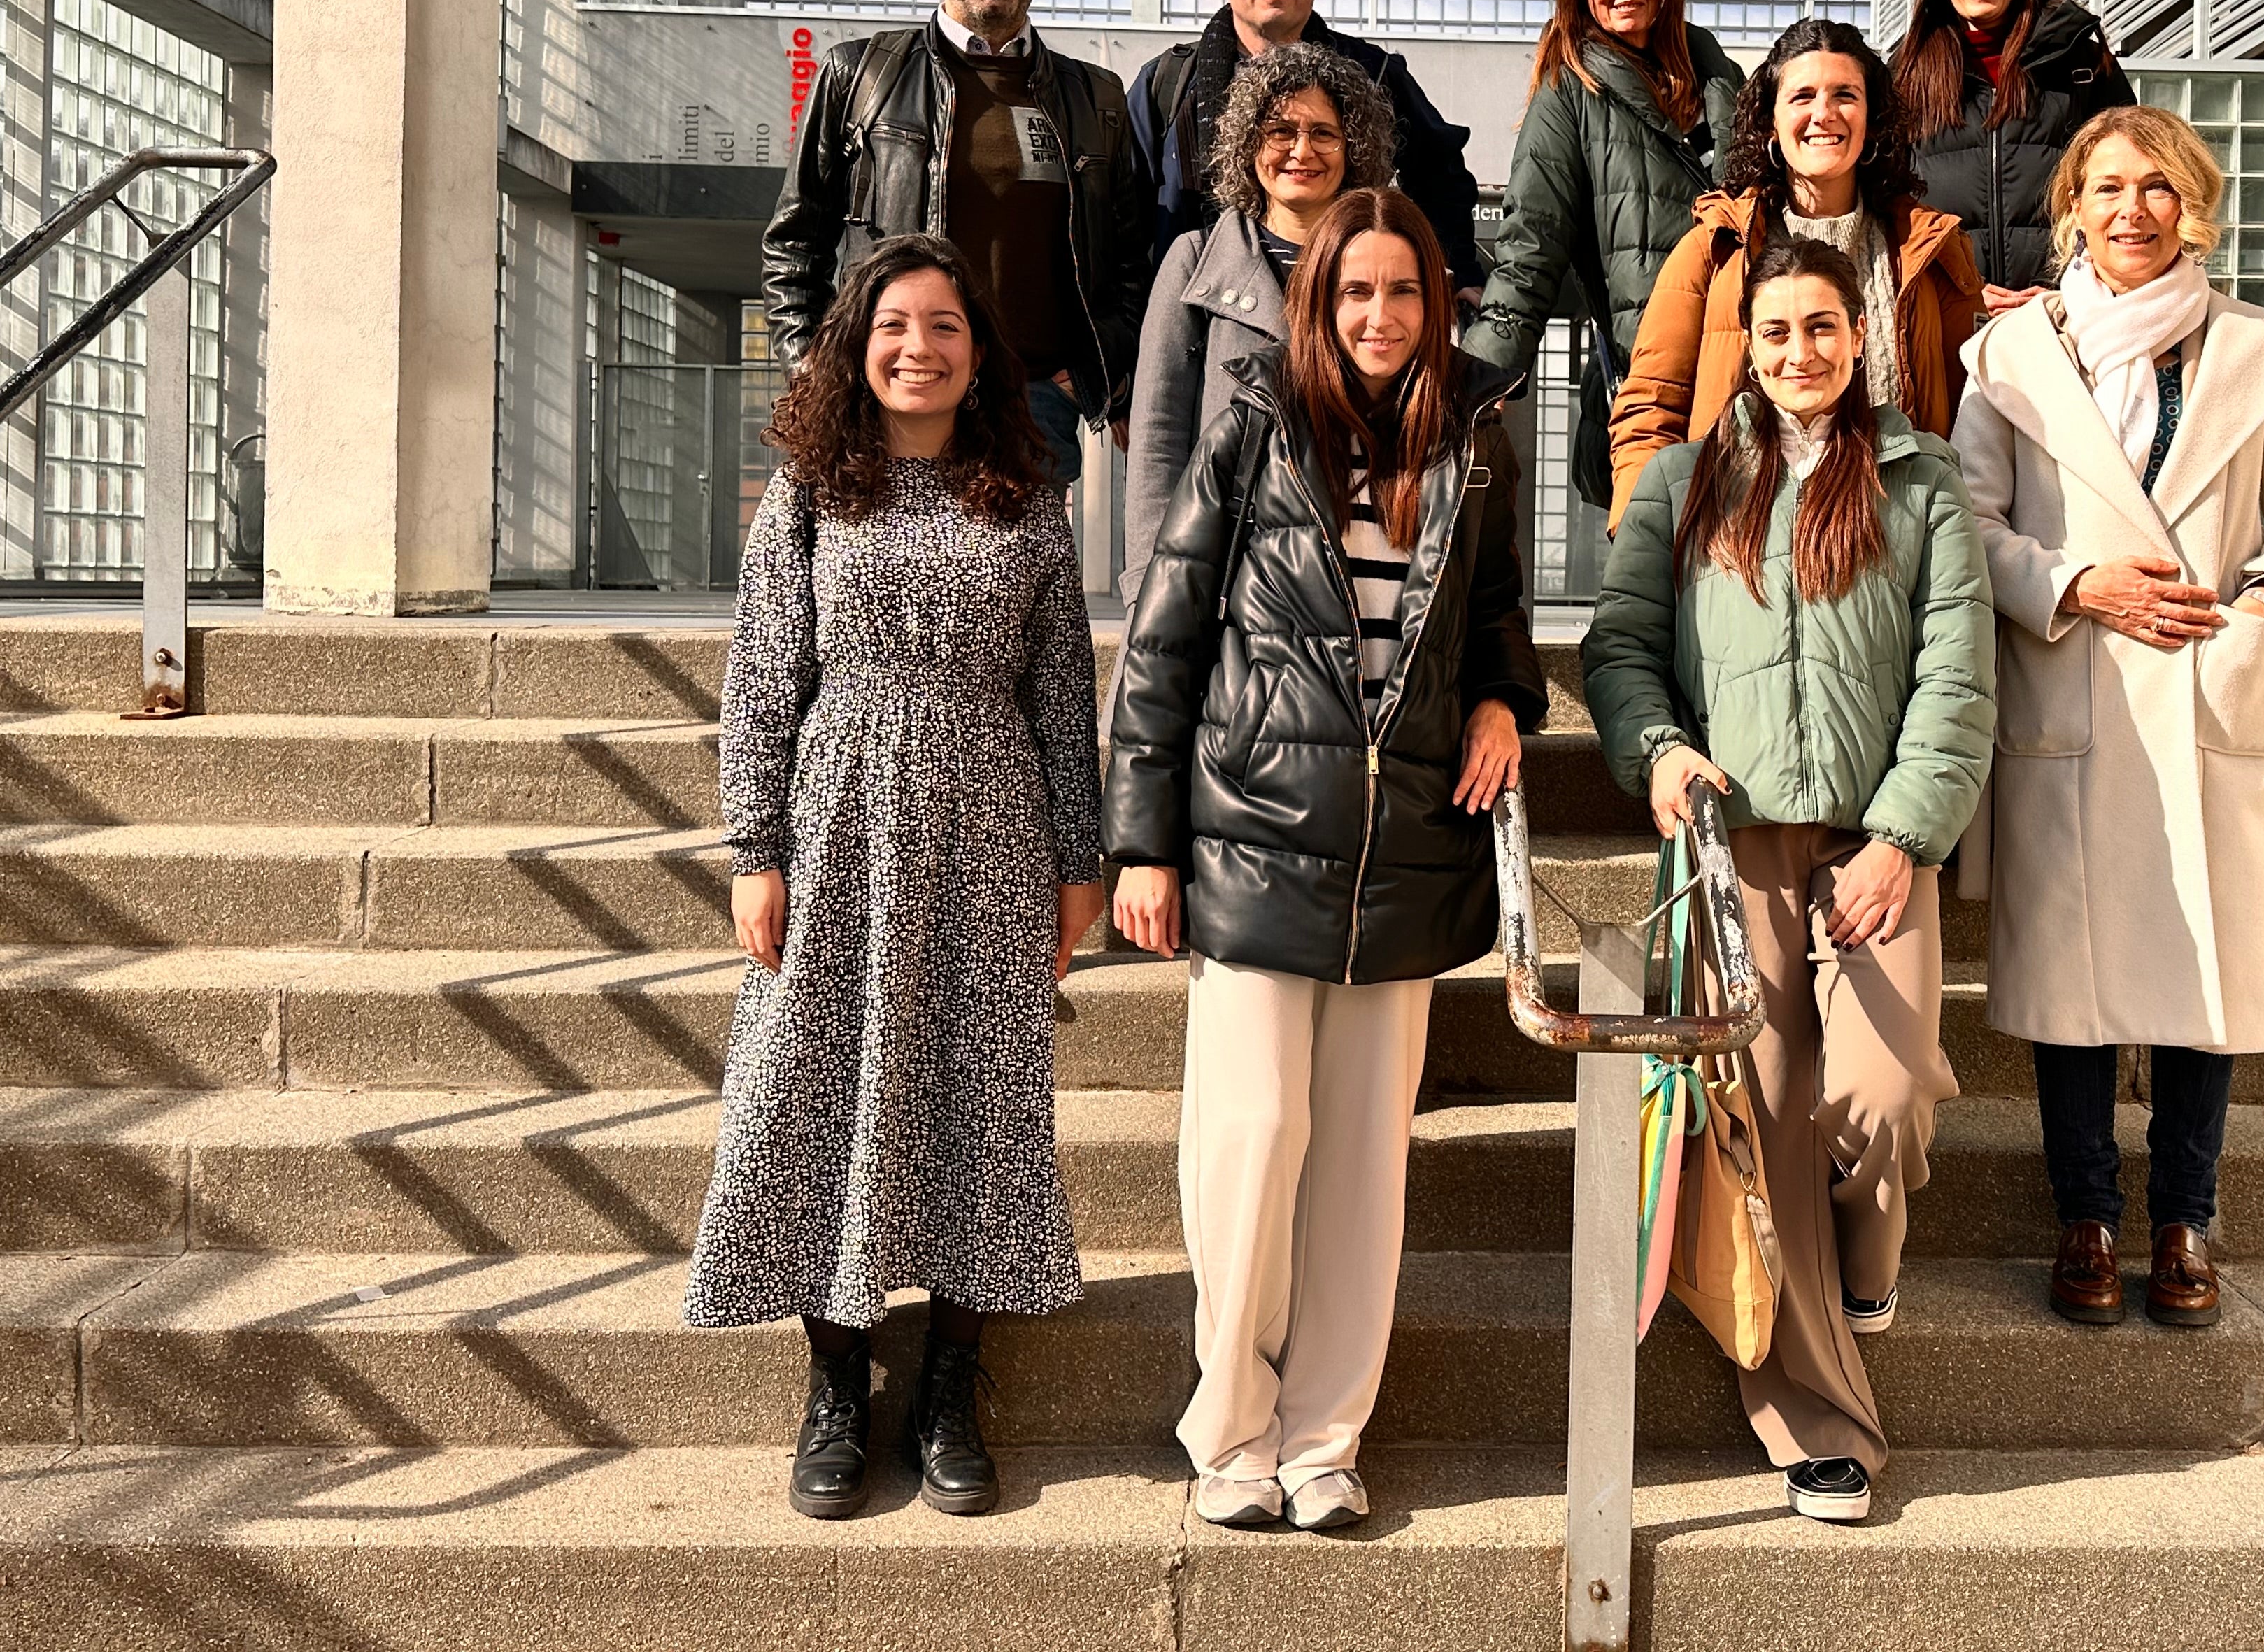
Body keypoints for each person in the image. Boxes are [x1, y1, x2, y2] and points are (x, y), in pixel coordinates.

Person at [1106, 185, 1547, 1534]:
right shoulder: (1256, 420)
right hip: (1249, 833)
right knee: (1252, 1139)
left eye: (1401, 290)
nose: (1377, 315)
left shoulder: (1475, 427)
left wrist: (1501, 703)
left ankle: (1325, 1436)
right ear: (1318, 300)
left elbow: (1496, 622)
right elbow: (1165, 634)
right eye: (1355, 291)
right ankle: (1230, 1426)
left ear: (1435, 299)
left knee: (1363, 1159)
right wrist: (1141, 839)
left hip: (1402, 847)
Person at [686, 233, 1103, 1521]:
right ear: (855, 344)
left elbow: (1060, 689)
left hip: (990, 822)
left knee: (979, 1083)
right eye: (892, 326)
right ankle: (835, 1378)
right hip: (839, 814)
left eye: (944, 328)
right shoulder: (810, 489)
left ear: (980, 356)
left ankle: (950, 1380)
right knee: (819, 1083)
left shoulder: (1027, 498)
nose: (916, 347)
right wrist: (755, 848)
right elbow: (761, 678)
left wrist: (1077, 862)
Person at [1583, 234, 1995, 1525]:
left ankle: (1865, 1258)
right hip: (1732, 837)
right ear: (1746, 350)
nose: (1799, 352)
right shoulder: (1682, 481)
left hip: (1875, 838)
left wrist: (1904, 833)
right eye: (1774, 333)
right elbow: (1621, 646)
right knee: (1757, 1121)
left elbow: (1956, 675)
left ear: (1857, 336)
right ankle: (1821, 1423)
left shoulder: (1922, 482)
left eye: (1822, 327)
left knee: (1878, 1094)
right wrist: (1656, 749)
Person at [1950, 106, 2264, 1332]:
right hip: (2073, 684)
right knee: (2073, 979)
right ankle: (2084, 1211)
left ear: (2192, 205)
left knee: (2199, 969)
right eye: (2109, 185)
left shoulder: (2255, 352)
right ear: (2070, 201)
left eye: (2157, 188)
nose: (2132, 209)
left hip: (2201, 697)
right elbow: (1964, 526)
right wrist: (2074, 583)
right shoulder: (2008, 359)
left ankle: (2184, 1213)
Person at [760, 0, 1152, 485]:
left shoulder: (1096, 97)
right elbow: (794, 243)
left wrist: (1086, 377)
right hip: (889, 394)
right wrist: (813, 368)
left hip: (1034, 405)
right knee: (880, 578)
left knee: (1021, 582)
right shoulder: (857, 77)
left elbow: (1132, 262)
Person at [1604, 16, 1982, 532]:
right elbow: (1650, 412)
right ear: (1772, 124)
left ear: (1872, 119)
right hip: (1737, 556)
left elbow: (1977, 426)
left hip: (1898, 557)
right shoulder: (1714, 251)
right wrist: (1644, 552)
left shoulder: (1930, 254)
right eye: (1802, 96)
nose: (1824, 114)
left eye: (1845, 95)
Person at [1462, 0, 1746, 504]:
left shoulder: (1721, 78)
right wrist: (1476, 381)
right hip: (1651, 383)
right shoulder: (1570, 90)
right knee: (1651, 576)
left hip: (1742, 371)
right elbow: (1529, 247)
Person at [1119, 42, 1396, 602]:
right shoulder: (1194, 261)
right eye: (1280, 132)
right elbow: (1158, 436)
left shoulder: (1383, 266)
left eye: (1324, 133)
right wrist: (1152, 585)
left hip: (1355, 565)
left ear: (1353, 149)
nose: (1302, 151)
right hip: (1221, 571)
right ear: (1249, 143)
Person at [1129, 0, 1483, 290]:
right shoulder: (1167, 83)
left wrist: (1456, 272)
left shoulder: (1373, 74)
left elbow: (1441, 176)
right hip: (1197, 315)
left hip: (1344, 307)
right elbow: (1124, 216)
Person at [1892, 0, 2134, 313]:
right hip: (1950, 327)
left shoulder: (2082, 65)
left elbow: (2131, 190)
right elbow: (1886, 215)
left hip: (2070, 325)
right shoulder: (1904, 76)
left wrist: (2078, 292)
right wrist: (1959, 291)